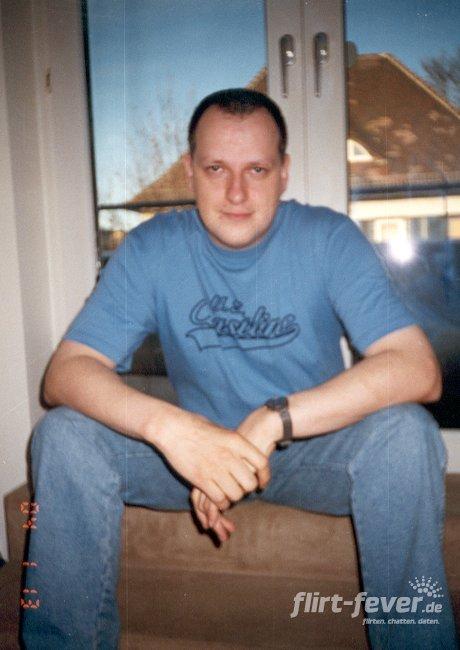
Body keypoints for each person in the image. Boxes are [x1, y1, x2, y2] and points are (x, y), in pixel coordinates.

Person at [21, 89, 457, 649]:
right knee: (62, 434)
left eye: (256, 169)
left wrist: (274, 419)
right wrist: (177, 432)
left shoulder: (328, 238)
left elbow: (418, 369)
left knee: (407, 433)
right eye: (216, 169)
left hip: (310, 453)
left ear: (284, 172)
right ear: (189, 171)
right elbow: (65, 374)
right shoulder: (152, 248)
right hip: (190, 461)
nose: (235, 192)